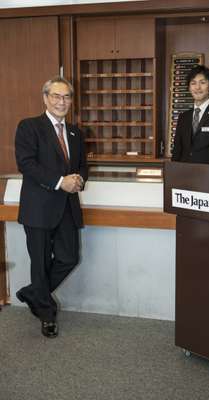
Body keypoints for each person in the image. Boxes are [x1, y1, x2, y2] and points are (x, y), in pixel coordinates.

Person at [15, 76, 88, 338]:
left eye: (67, 96)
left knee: (70, 258)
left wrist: (79, 180)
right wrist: (60, 182)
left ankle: (34, 293)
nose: (62, 101)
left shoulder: (75, 132)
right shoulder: (29, 127)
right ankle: (46, 314)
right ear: (45, 98)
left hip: (67, 208)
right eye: (56, 96)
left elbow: (81, 166)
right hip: (39, 208)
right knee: (41, 261)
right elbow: (26, 164)